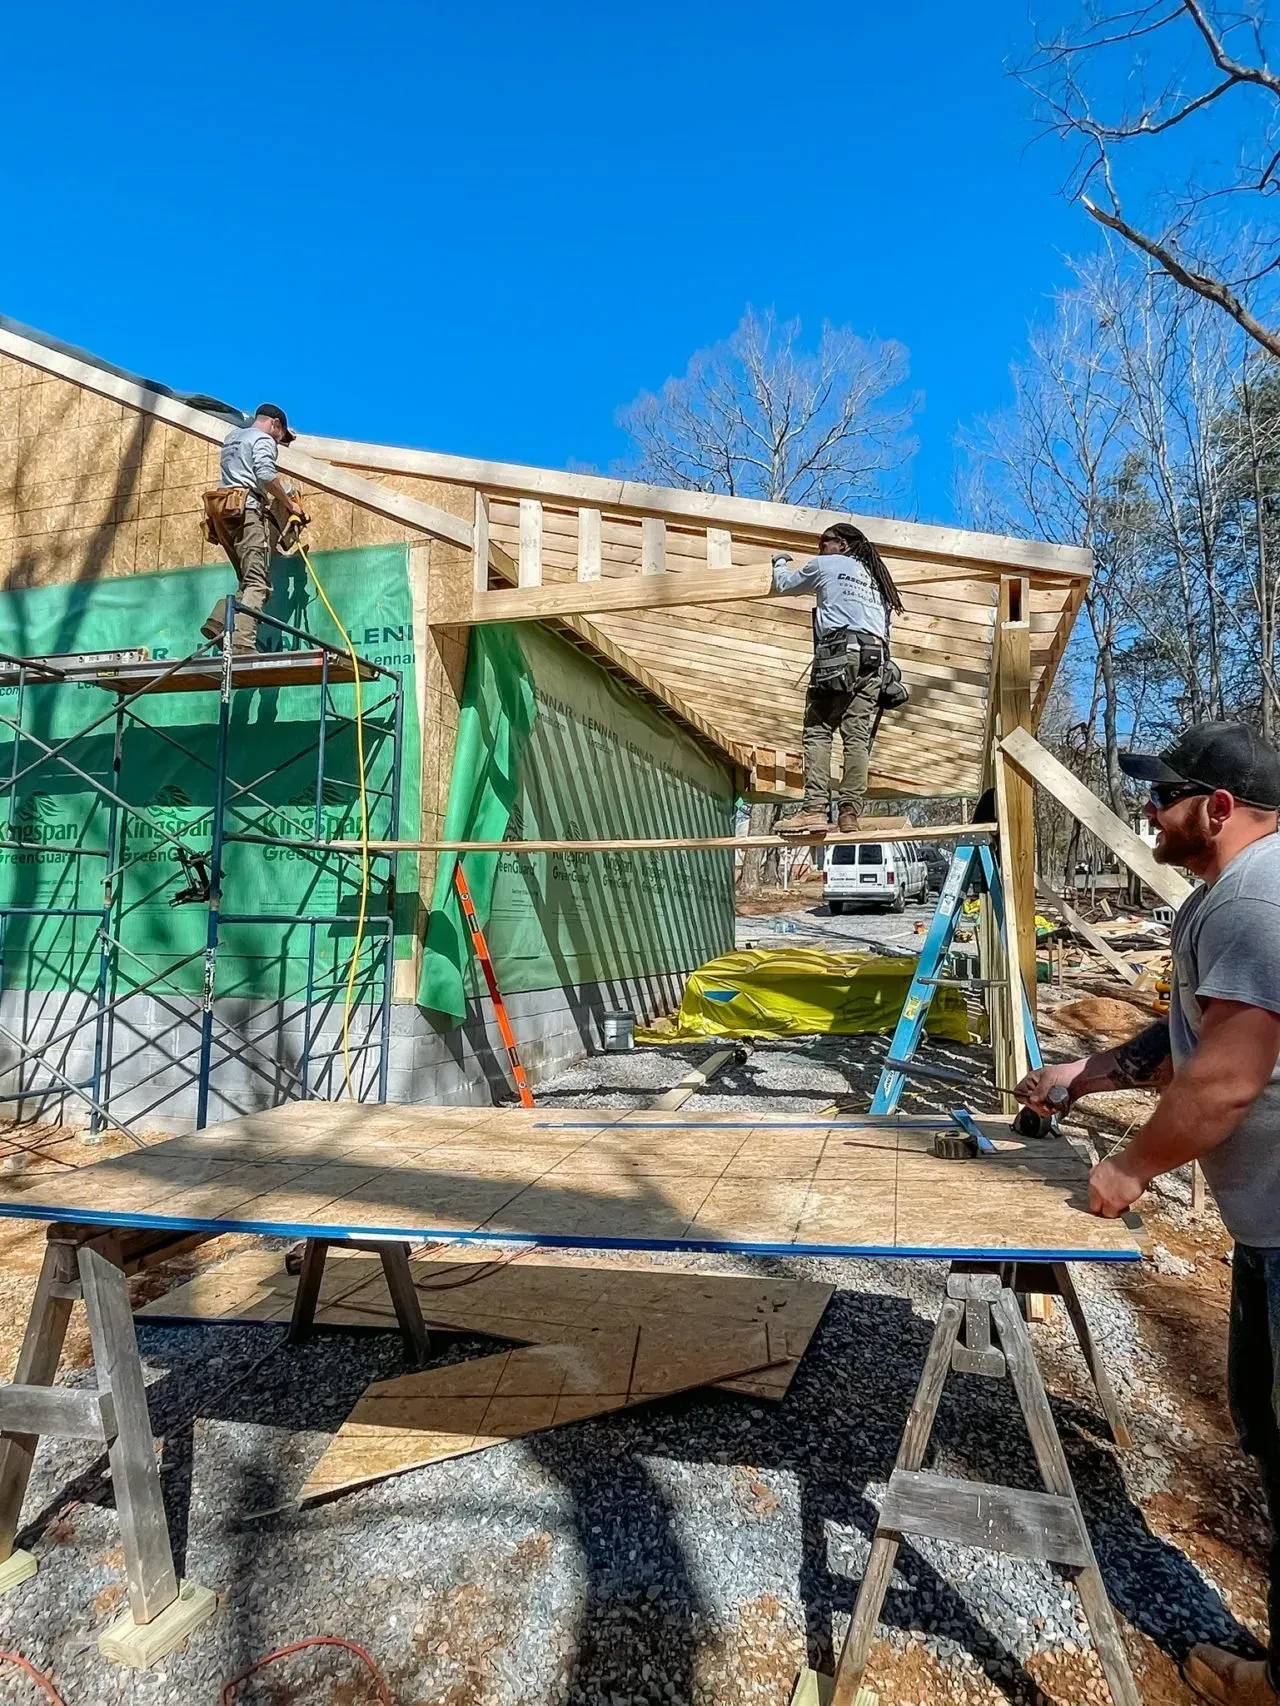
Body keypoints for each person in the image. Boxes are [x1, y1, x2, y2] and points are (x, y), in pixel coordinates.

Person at [1015, 721, 1280, 1706]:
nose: (1145, 808)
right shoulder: (1229, 897)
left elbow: (1222, 1083)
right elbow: (1184, 1043)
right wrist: (1080, 1074)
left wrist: (1126, 1169)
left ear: (1214, 807)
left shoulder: (1256, 896)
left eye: (1160, 793)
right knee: (1264, 1424)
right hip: (1265, 1233)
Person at [770, 523, 905, 834]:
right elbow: (886, 630)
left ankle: (815, 809)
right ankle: (849, 814)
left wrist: (779, 560)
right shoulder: (877, 580)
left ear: (842, 544)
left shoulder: (826, 565)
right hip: (875, 659)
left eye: (824, 543)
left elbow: (784, 584)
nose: (820, 549)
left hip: (839, 653)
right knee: (857, 738)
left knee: (818, 729)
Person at [201, 404, 304, 653]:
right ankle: (242, 644)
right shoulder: (263, 438)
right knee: (258, 584)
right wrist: (289, 503)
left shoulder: (233, 437)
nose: (279, 442)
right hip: (246, 511)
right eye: (281, 437)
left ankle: (218, 621)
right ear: (275, 424)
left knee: (247, 583)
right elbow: (266, 475)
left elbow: (243, 475)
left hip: (222, 512)